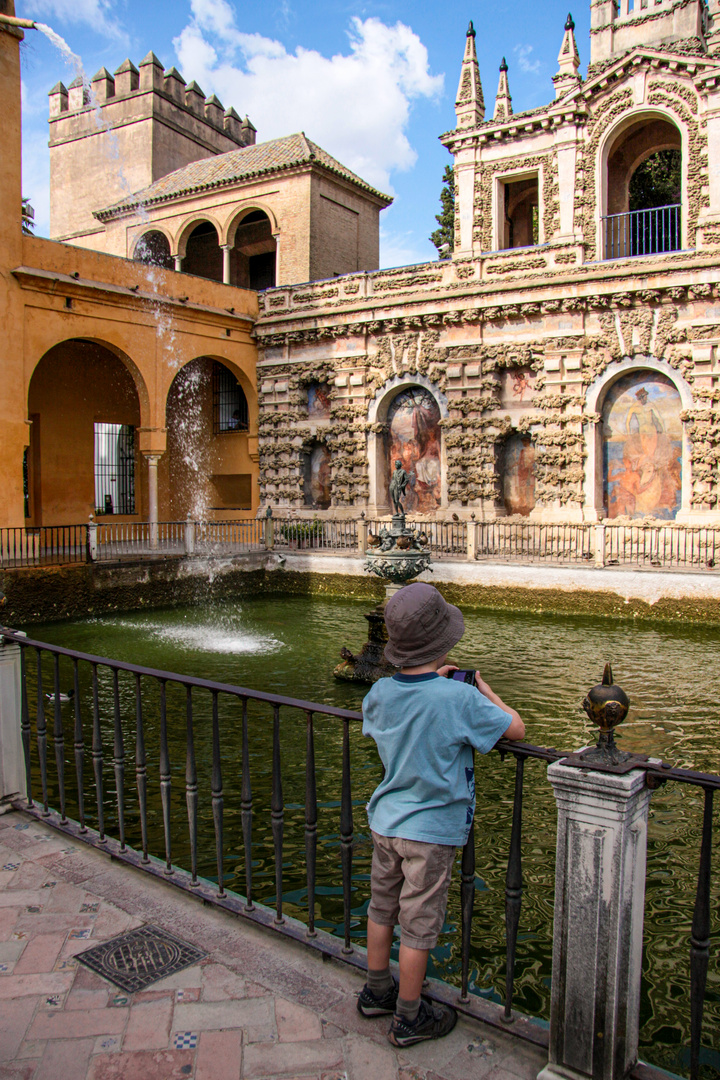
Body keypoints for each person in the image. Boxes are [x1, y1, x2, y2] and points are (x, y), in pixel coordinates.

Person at [357, 583, 525, 1047]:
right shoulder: (459, 698)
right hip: (431, 832)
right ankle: (409, 1018)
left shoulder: (381, 692)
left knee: (382, 907)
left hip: (385, 820)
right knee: (419, 923)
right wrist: (482, 689)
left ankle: (376, 992)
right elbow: (516, 728)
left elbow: (380, 715)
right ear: (444, 643)